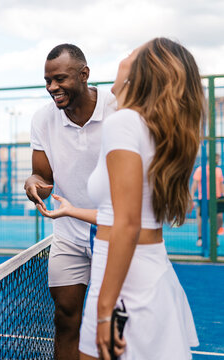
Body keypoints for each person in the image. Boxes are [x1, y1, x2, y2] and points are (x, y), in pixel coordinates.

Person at [40, 38, 201, 360]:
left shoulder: (124, 123)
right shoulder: (151, 126)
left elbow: (126, 225)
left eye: (131, 54)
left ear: (143, 71)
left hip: (125, 281)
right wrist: (74, 211)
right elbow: (126, 215)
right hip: (143, 271)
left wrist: (104, 310)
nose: (124, 56)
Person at [24, 44, 116, 360]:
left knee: (116, 326)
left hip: (115, 234)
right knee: (65, 318)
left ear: (84, 74)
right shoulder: (42, 119)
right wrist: (32, 184)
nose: (52, 88)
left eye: (59, 79)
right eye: (47, 81)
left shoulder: (118, 109)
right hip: (68, 236)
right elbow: (40, 176)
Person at [191, 153, 224, 246]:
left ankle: (214, 237)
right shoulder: (200, 170)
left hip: (217, 198)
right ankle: (200, 238)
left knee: (220, 219)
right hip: (204, 199)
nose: (218, 161)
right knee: (201, 219)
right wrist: (192, 196)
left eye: (219, 159)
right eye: (217, 159)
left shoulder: (218, 170)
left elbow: (221, 184)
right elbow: (194, 184)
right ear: (211, 159)